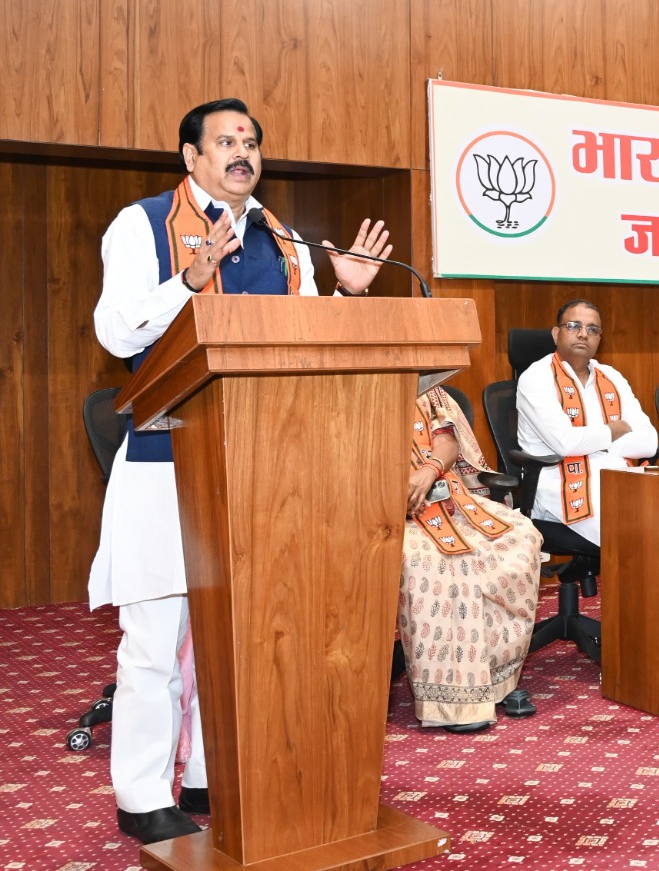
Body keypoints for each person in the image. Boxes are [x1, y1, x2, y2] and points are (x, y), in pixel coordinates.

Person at [90, 99, 392, 843]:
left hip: (265, 467)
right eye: (225, 141)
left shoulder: (285, 238)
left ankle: (209, 774)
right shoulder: (142, 224)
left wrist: (347, 295)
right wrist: (189, 282)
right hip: (167, 460)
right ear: (190, 156)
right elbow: (116, 331)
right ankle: (140, 792)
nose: (241, 152)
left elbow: (307, 347)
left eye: (251, 141)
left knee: (240, 638)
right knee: (157, 640)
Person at [400, 387, 544, 731]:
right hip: (388, 515)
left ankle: (495, 679)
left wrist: (430, 469)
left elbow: (447, 441)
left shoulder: (426, 389)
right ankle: (451, 700)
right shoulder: (341, 390)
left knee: (519, 536)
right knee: (446, 562)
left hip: (447, 496)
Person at [516, 299, 658, 546]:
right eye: (574, 326)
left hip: (618, 476)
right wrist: (615, 429)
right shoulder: (536, 378)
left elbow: (649, 441)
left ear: (599, 338)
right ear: (556, 334)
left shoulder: (612, 376)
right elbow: (566, 444)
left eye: (592, 329)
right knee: (636, 530)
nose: (583, 334)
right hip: (561, 484)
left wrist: (595, 443)